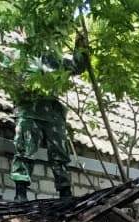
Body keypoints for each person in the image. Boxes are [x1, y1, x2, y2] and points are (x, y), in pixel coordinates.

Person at [8, 39, 88, 201]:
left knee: (60, 154)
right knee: (24, 150)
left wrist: (81, 46)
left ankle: (65, 192)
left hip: (53, 114)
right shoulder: (19, 55)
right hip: (29, 111)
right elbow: (9, 77)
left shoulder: (55, 60)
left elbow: (77, 66)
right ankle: (20, 193)